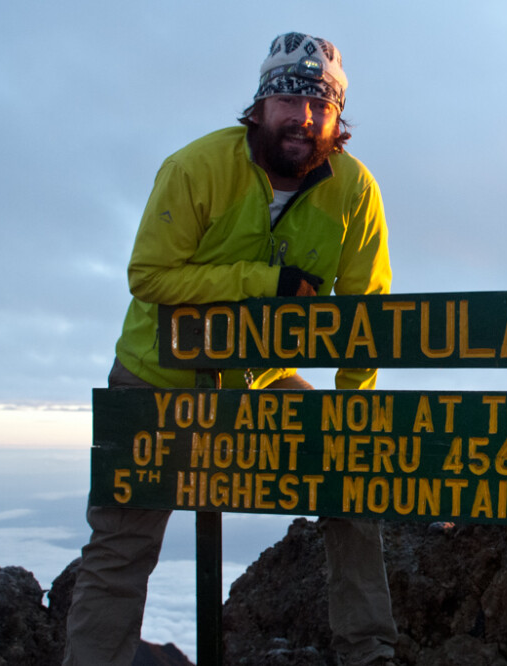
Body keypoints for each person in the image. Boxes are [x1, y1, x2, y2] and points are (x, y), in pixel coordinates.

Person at [64, 32, 397, 666]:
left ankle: (369, 654)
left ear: (337, 116)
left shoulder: (354, 190)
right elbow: (151, 276)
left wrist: (356, 410)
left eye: (319, 105)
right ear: (260, 105)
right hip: (155, 381)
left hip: (262, 380)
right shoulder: (195, 167)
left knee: (354, 483)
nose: (302, 118)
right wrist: (262, 284)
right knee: (120, 549)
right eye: (289, 100)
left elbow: (366, 314)